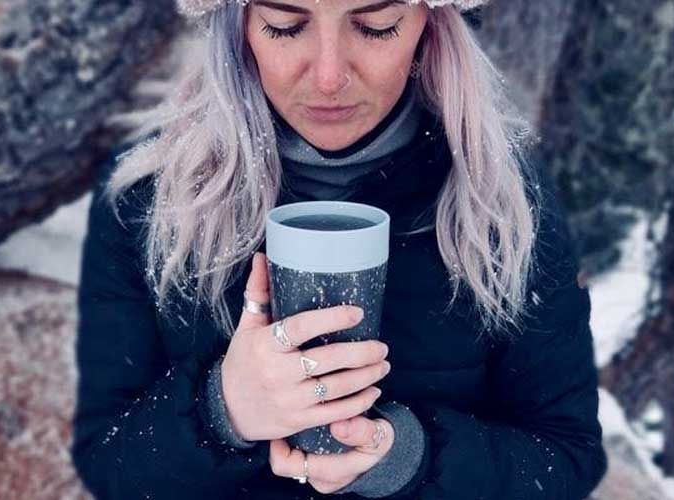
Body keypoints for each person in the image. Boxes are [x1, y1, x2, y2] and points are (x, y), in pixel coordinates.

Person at [70, 0, 608, 498]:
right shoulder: (148, 196)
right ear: (237, 26)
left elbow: (565, 454)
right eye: (285, 25)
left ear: (430, 22)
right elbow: (108, 460)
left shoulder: (507, 200)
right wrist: (221, 409)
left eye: (376, 25)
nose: (329, 77)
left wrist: (408, 457)